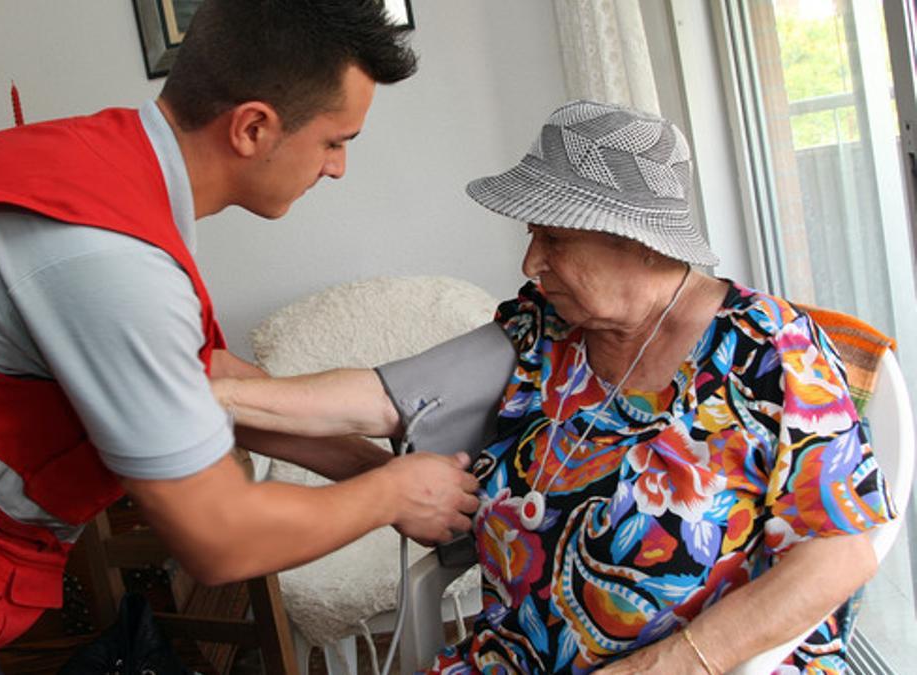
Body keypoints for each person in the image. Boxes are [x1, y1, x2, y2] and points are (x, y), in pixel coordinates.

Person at [0, 1, 481, 673]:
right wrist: (390, 493)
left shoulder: (103, 163)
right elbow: (219, 539)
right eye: (335, 140)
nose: (340, 167)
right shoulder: (107, 261)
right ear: (253, 127)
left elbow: (196, 376)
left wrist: (360, 460)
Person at [212, 100, 895, 673]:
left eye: (553, 237)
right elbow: (385, 397)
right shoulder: (542, 330)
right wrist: (221, 394)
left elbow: (841, 550)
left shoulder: (771, 348)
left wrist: (663, 665)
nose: (530, 260)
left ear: (642, 242)